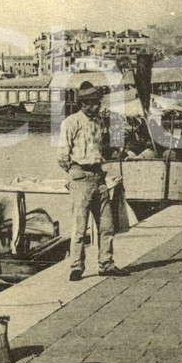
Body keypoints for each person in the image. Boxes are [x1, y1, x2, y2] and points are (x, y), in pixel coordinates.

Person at [59, 85, 128, 281]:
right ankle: (76, 266)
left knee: (107, 224)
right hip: (81, 177)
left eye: (98, 103)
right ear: (84, 104)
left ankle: (106, 263)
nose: (97, 107)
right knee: (79, 226)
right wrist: (76, 173)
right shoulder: (70, 123)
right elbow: (63, 156)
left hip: (99, 177)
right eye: (94, 104)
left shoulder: (97, 122)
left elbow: (99, 149)